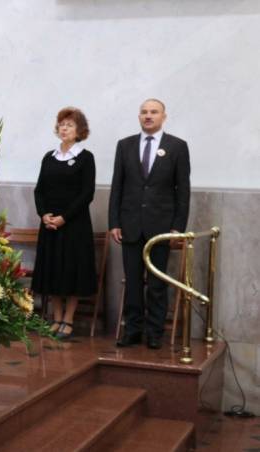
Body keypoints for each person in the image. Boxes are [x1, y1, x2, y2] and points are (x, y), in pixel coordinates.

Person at [109, 99, 191, 350]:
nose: (148, 116)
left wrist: (178, 227)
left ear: (163, 117)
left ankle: (155, 332)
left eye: (154, 112)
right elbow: (117, 186)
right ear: (139, 117)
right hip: (130, 225)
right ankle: (132, 330)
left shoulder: (177, 146)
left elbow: (183, 191)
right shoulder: (125, 145)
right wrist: (114, 222)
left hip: (161, 227)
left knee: (156, 284)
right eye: (144, 112)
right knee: (133, 282)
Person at [32, 107, 97, 340]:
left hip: (74, 225)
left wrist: (64, 218)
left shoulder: (85, 157)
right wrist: (44, 215)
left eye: (69, 125)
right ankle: (56, 318)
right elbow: (39, 190)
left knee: (71, 271)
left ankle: (68, 320)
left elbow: (87, 193)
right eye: (61, 124)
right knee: (53, 271)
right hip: (49, 225)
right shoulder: (49, 157)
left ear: (80, 130)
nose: (64, 128)